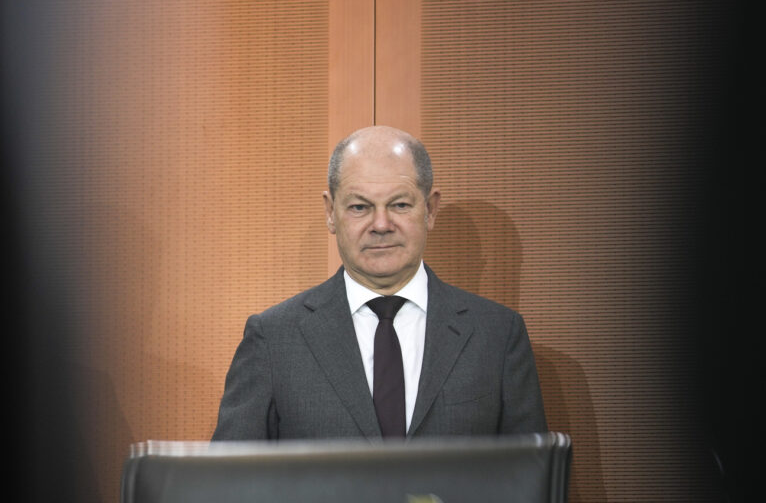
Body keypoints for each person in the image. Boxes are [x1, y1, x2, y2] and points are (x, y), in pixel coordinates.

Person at [212, 125, 546, 440]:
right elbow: (228, 484)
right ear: (330, 212)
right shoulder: (274, 339)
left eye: (400, 205)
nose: (381, 224)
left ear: (430, 209)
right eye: (360, 207)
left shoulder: (498, 335)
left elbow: (532, 480)